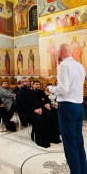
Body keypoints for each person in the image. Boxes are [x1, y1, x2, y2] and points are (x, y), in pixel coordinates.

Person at [46, 43, 87, 174]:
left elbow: (63, 88)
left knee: (70, 144)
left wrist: (51, 88)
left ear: (60, 51)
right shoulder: (80, 66)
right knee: (78, 141)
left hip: (67, 107)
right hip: (79, 107)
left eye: (58, 51)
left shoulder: (63, 65)